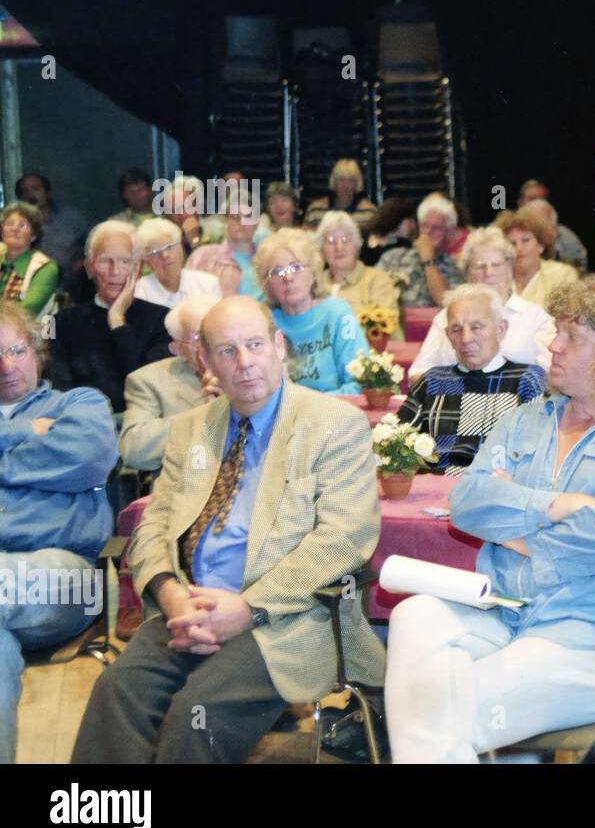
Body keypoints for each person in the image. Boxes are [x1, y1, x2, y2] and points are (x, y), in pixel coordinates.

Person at [383, 276, 595, 761]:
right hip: (506, 609)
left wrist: (521, 535)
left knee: (441, 708)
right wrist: (556, 506)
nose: (552, 345)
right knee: (413, 616)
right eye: (556, 331)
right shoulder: (530, 417)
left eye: (572, 337)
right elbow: (467, 500)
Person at [72, 296, 385, 763]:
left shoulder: (334, 425)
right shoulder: (192, 430)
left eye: (255, 345)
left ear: (279, 345)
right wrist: (169, 591)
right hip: (192, 606)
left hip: (286, 616)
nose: (244, 363)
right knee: (116, 690)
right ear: (205, 361)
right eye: (226, 351)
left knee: (197, 712)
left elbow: (343, 539)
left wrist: (248, 607)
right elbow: (155, 523)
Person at [0, 300, 118, 764]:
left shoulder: (80, 404)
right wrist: (28, 433)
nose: (6, 366)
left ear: (37, 352)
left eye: (16, 350)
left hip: (67, 575)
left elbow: (88, 456)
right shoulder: (44, 422)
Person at [396, 284, 546, 476]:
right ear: (448, 336)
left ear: (501, 329)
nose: (466, 339)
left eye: (476, 327)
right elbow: (395, 442)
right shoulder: (431, 381)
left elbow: (533, 455)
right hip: (431, 490)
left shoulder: (527, 381)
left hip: (490, 491)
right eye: (456, 329)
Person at [49, 221, 171, 412]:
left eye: (125, 261)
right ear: (90, 268)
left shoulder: (161, 319)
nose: (115, 271)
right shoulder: (61, 322)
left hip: (140, 423)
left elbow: (148, 385)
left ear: (137, 269)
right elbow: (59, 388)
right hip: (84, 423)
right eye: (106, 261)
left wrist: (117, 322)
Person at [409, 226, 556, 382]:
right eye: (480, 266)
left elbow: (551, 376)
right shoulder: (446, 318)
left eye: (496, 264)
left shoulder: (536, 318)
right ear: (467, 274)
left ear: (510, 267)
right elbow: (417, 374)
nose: (489, 273)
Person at [253, 229, 365, 395]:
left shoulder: (337, 314)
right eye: (277, 272)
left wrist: (310, 407)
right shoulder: (262, 321)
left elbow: (360, 383)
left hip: (335, 412)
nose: (288, 278)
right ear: (266, 284)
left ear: (314, 273)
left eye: (296, 267)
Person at [118, 295, 222, 472]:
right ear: (178, 349)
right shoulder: (148, 381)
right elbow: (133, 449)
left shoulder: (253, 370)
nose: (210, 343)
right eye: (198, 337)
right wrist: (205, 416)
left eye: (216, 332)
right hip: (187, 487)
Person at [379, 192, 466, 311]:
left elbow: (448, 305)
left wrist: (429, 261)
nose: (429, 232)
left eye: (437, 228)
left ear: (448, 231)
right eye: (425, 225)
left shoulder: (455, 267)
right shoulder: (393, 257)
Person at [316, 211, 400, 322]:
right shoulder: (314, 282)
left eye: (345, 240)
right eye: (331, 241)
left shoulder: (377, 280)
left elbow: (386, 326)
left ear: (357, 246)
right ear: (321, 249)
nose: (339, 247)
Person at [15, 172, 91, 291]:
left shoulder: (71, 217)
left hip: (69, 288)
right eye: (25, 191)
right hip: (30, 288)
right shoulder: (16, 225)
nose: (30, 195)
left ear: (47, 192)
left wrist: (84, 262)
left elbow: (98, 242)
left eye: (35, 188)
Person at [495, 205, 579, 310]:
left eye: (525, 240)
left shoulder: (562, 275)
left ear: (540, 245)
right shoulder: (496, 277)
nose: (519, 248)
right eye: (512, 243)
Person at [186, 192, 264, 299]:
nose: (241, 222)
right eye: (235, 217)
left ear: (257, 222)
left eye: (248, 217)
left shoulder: (267, 259)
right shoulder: (203, 257)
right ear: (226, 221)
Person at [133, 218, 224, 309]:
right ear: (146, 261)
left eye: (169, 247)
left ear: (180, 249)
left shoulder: (208, 284)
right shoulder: (139, 293)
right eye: (156, 252)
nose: (165, 255)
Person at [0, 202, 59, 317]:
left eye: (23, 225)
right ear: (2, 232)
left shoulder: (46, 268)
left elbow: (26, 312)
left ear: (34, 235)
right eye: (9, 223)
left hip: (27, 332)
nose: (15, 229)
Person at [515, 187, 588, 271]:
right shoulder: (518, 236)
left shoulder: (567, 240)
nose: (536, 229)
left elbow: (573, 273)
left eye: (540, 224)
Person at [305, 158, 377, 225]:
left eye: (351, 180)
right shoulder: (315, 211)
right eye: (341, 179)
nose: (346, 185)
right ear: (334, 182)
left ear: (357, 183)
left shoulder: (369, 212)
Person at [361, 196, 417, 267]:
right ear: (397, 219)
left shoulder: (406, 246)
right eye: (410, 221)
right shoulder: (363, 237)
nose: (414, 226)